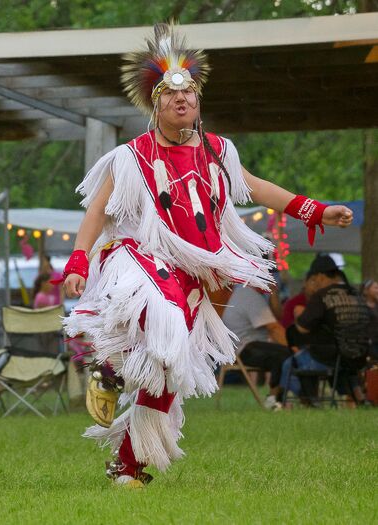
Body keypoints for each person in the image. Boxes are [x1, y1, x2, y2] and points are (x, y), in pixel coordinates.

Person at [60, 23, 353, 488]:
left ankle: (129, 464)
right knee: (165, 317)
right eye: (172, 94)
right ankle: (112, 368)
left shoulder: (219, 152)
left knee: (169, 372)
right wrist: (79, 261)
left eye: (191, 94)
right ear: (154, 104)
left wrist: (313, 209)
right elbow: (97, 209)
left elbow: (255, 187)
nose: (183, 100)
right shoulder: (132, 156)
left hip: (196, 269)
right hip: (143, 256)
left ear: (199, 103)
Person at [290, 255, 371, 405]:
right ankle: (357, 397)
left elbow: (302, 327)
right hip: (361, 355)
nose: (314, 283)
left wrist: (298, 312)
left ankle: (311, 402)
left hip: (336, 358)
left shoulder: (322, 296)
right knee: (336, 353)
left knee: (295, 360)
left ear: (320, 276)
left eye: (314, 279)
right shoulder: (356, 294)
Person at [222, 284, 291, 410]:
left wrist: (273, 293)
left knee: (284, 354)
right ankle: (273, 400)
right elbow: (274, 328)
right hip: (244, 349)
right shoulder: (249, 295)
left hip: (243, 346)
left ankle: (276, 399)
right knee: (285, 355)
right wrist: (295, 347)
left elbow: (278, 316)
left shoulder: (244, 292)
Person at [361, 279, 378, 361]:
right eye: (376, 288)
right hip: (368, 344)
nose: (377, 290)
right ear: (366, 290)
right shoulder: (360, 306)